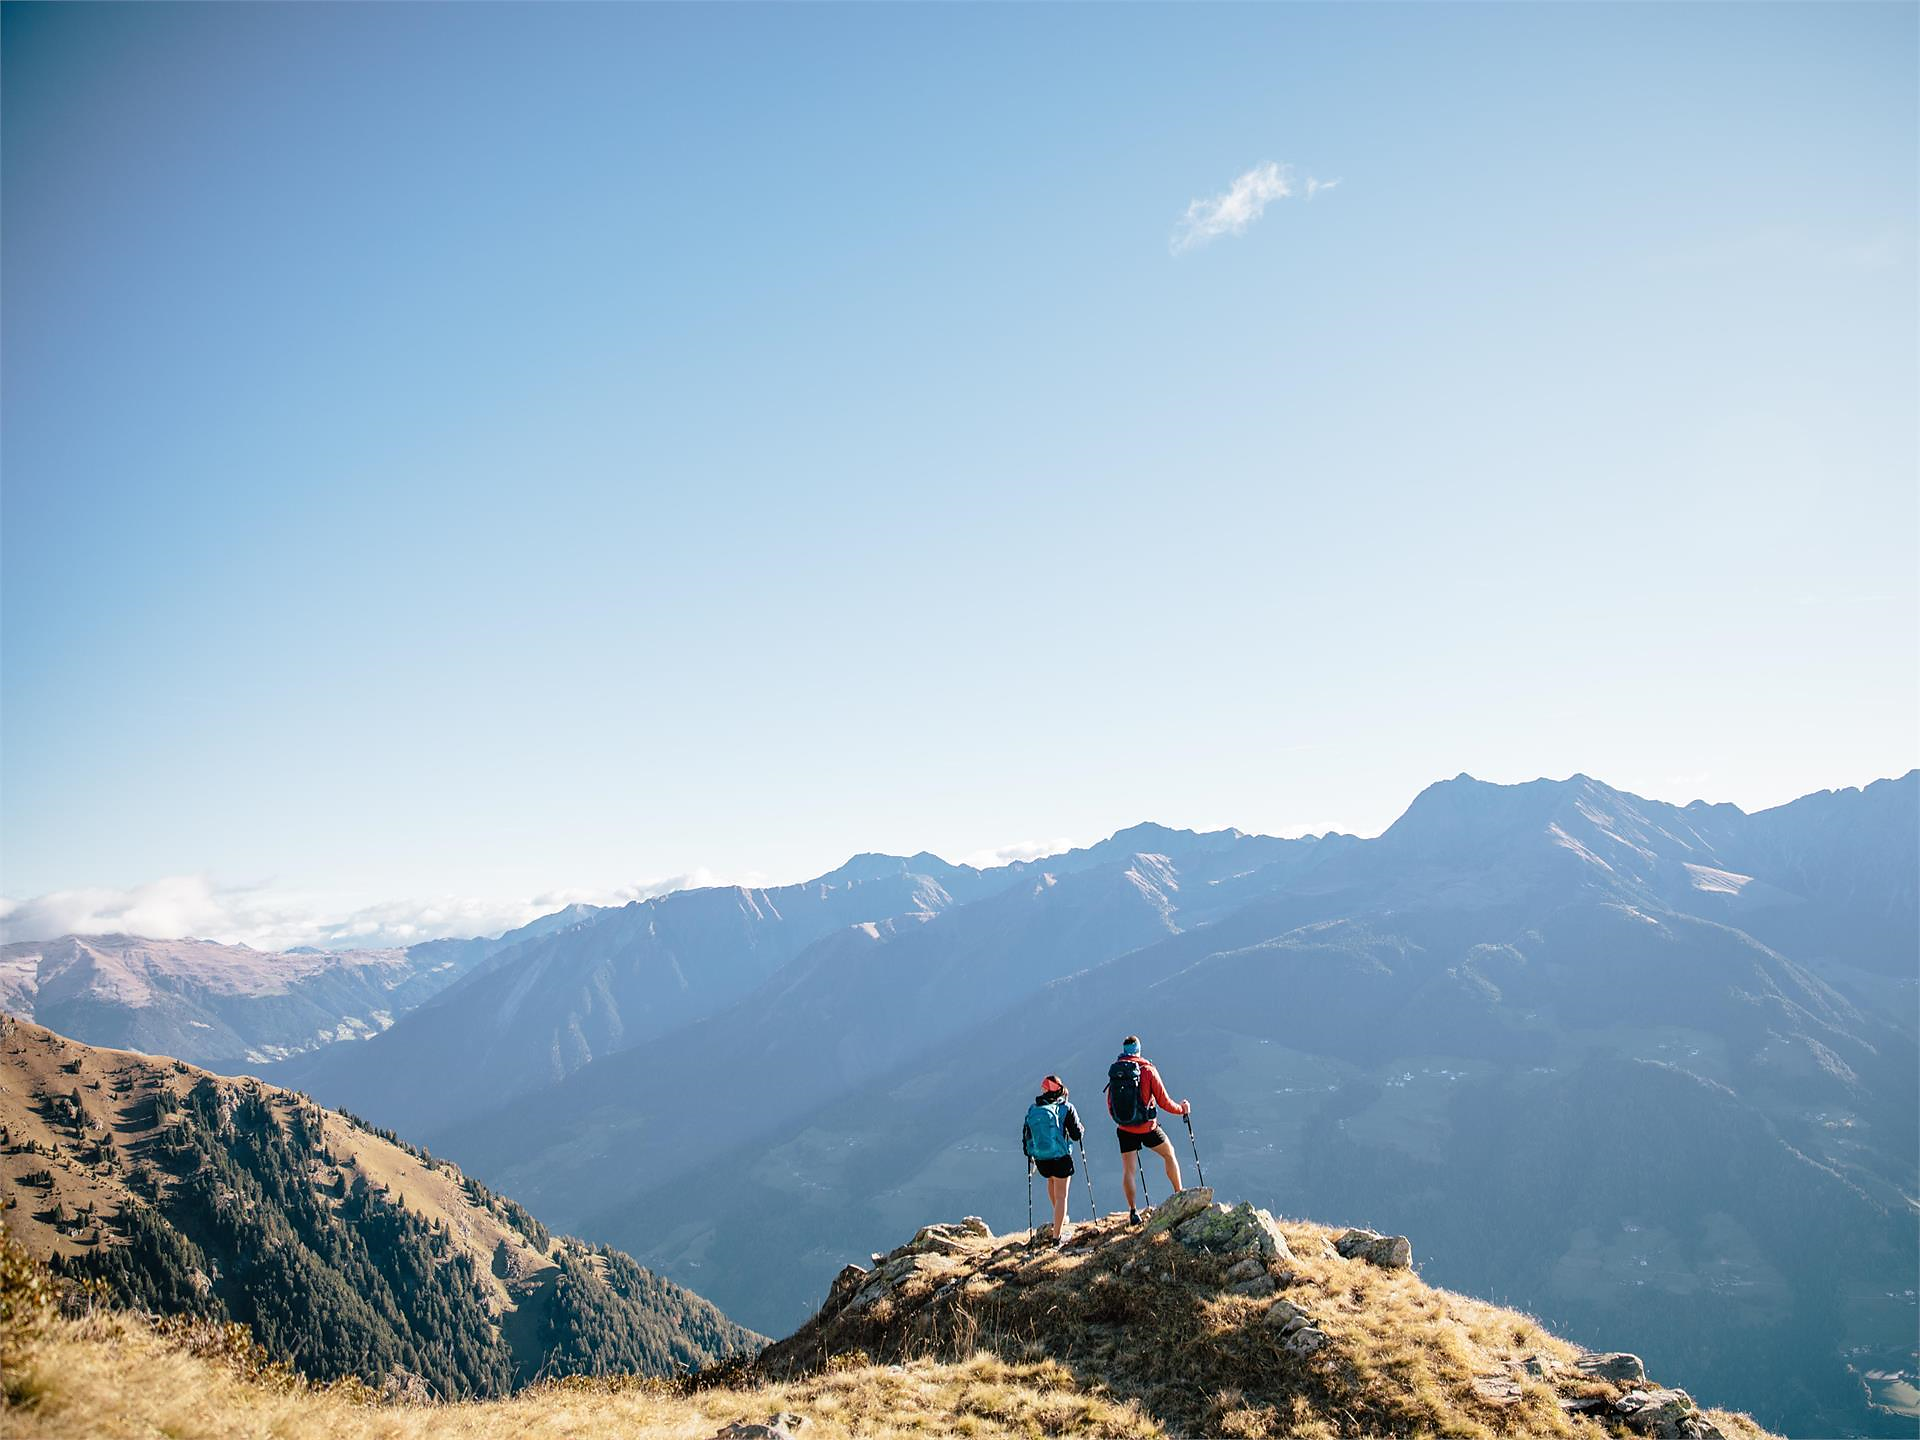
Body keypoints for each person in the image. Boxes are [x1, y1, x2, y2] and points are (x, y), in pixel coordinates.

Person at [1105, 1035, 1189, 1224]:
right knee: (1169, 1154)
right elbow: (1164, 1102)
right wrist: (1182, 1109)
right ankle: (1179, 1194)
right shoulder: (1148, 1070)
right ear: (1138, 1050)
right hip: (1148, 1127)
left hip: (1125, 1129)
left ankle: (1133, 1212)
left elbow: (1110, 1104)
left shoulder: (1116, 1072)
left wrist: (1122, 1121)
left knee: (1129, 1170)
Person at [1022, 1074, 1084, 1247]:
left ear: (1044, 1089)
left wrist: (1029, 1154)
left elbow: (1027, 1134)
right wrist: (1080, 1129)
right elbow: (1076, 1135)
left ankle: (1059, 1217)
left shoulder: (1033, 1109)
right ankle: (1057, 1237)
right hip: (1061, 1159)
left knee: (1051, 1182)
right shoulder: (1066, 1108)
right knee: (1062, 1195)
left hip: (1042, 1160)